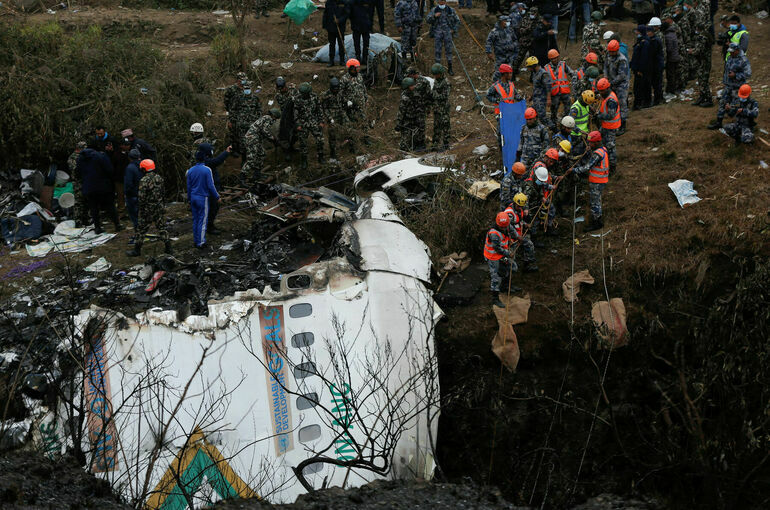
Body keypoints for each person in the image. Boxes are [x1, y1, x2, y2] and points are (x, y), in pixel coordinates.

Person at [127, 159, 170, 257]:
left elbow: (141, 197)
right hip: (158, 207)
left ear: (144, 169)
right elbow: (163, 193)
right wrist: (162, 205)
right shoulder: (159, 178)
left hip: (147, 209)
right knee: (162, 228)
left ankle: (137, 250)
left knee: (141, 229)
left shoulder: (144, 180)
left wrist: (141, 209)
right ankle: (169, 248)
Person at [76, 143, 122, 235]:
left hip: (88, 187)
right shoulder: (101, 156)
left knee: (94, 208)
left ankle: (97, 227)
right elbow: (109, 170)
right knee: (110, 206)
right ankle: (117, 225)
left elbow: (78, 172)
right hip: (103, 186)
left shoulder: (80, 158)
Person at [571, 130, 608, 231]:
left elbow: (587, 167)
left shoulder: (597, 154)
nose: (589, 144)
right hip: (601, 180)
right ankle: (597, 218)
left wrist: (573, 170)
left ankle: (597, 223)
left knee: (595, 202)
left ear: (597, 142)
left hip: (597, 181)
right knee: (596, 200)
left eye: (591, 143)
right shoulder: (602, 149)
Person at [708, 43, 751, 130]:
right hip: (728, 86)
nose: (731, 53)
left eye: (732, 51)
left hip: (737, 88)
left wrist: (736, 75)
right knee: (722, 103)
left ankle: (739, 125)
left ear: (737, 50)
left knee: (735, 106)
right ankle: (719, 122)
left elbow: (748, 74)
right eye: (730, 51)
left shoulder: (743, 60)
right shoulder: (730, 58)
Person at [186, 146, 221, 250]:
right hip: (202, 198)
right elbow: (211, 186)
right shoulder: (207, 170)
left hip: (193, 197)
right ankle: (201, 242)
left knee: (196, 220)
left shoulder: (190, 170)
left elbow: (188, 186)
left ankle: (196, 240)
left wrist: (189, 199)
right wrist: (217, 196)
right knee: (203, 220)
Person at [484, 212, 516, 307]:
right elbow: (497, 248)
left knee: (513, 268)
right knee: (496, 278)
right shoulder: (494, 233)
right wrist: (508, 253)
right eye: (502, 227)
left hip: (502, 254)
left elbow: (511, 230)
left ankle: (505, 286)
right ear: (498, 225)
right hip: (493, 257)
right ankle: (495, 298)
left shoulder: (506, 224)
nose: (504, 228)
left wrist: (517, 237)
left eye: (505, 226)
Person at [524, 151, 558, 237]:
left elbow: (540, 188)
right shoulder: (529, 185)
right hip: (530, 204)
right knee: (532, 220)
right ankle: (533, 236)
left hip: (537, 200)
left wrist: (542, 196)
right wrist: (526, 209)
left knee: (548, 210)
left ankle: (546, 228)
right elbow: (526, 198)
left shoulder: (538, 180)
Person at [688, 0, 714, 107]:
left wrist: (691, 51)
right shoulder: (704, 35)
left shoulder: (703, 37)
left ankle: (708, 99)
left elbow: (698, 50)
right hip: (702, 61)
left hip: (704, 61)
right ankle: (702, 97)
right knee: (700, 79)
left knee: (703, 80)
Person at [294, 83, 325, 169]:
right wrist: (298, 124)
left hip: (313, 121)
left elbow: (319, 109)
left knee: (320, 139)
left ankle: (321, 156)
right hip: (303, 122)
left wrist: (321, 121)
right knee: (303, 142)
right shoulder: (297, 99)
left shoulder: (314, 97)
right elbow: (295, 113)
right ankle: (304, 160)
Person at [341, 58, 369, 149]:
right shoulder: (344, 79)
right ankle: (353, 141)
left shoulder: (359, 76)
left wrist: (366, 98)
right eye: (357, 67)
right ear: (351, 68)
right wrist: (346, 101)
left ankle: (366, 137)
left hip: (361, 103)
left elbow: (363, 88)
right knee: (352, 123)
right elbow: (340, 93)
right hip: (351, 106)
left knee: (364, 120)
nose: (358, 69)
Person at [506, 192, 538, 273]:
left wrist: (525, 224)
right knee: (511, 259)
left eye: (521, 206)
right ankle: (508, 274)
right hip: (511, 239)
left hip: (519, 235)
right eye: (518, 206)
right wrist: (516, 237)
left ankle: (527, 265)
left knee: (529, 245)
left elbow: (519, 220)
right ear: (514, 203)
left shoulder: (519, 209)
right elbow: (507, 228)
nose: (520, 208)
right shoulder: (509, 213)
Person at [426, 0, 459, 76]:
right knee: (437, 51)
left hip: (447, 33)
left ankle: (450, 68)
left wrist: (453, 29)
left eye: (443, 1)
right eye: (440, 1)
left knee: (449, 50)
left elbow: (457, 21)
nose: (441, 2)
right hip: (437, 33)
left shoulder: (450, 10)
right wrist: (434, 16)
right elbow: (427, 20)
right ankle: (437, 69)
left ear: (445, 1)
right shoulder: (434, 10)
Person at [594, 78, 620, 174]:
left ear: (607, 88)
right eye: (599, 91)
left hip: (611, 127)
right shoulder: (606, 95)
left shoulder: (611, 100)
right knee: (604, 144)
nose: (600, 93)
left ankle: (612, 167)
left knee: (610, 147)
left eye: (602, 91)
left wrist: (598, 115)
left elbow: (610, 115)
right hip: (606, 126)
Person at [604, 39, 629, 135]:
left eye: (612, 51)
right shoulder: (608, 55)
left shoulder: (622, 59)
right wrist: (606, 78)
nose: (611, 53)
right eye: (610, 51)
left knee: (622, 104)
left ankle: (623, 125)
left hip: (621, 85)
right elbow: (605, 67)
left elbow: (621, 75)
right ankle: (614, 123)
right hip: (611, 82)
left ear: (617, 50)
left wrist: (611, 83)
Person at [544, 49, 574, 124]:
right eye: (552, 59)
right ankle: (554, 123)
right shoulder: (546, 68)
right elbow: (545, 82)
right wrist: (548, 96)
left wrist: (575, 79)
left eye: (555, 58)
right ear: (550, 59)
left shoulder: (563, 64)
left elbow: (572, 73)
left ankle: (566, 122)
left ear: (558, 57)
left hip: (564, 91)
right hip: (554, 93)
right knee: (554, 110)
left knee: (568, 107)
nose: (554, 60)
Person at [395, 77, 426, 151]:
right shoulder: (405, 98)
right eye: (411, 86)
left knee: (418, 133)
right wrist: (398, 123)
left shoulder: (415, 93)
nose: (413, 87)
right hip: (407, 120)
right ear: (407, 87)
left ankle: (418, 145)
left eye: (413, 85)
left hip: (416, 117)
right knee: (405, 142)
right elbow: (401, 112)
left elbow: (420, 105)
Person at [486, 15, 519, 82]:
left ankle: (507, 84)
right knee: (499, 71)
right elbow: (489, 42)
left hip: (510, 55)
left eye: (508, 21)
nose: (508, 23)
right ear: (501, 22)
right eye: (506, 21)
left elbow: (515, 40)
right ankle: (496, 84)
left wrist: (514, 47)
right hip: (500, 56)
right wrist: (489, 52)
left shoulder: (510, 30)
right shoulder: (494, 32)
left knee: (509, 71)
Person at [67, 141, 89, 226]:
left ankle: (86, 219)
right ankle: (78, 220)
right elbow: (75, 169)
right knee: (79, 202)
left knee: (86, 201)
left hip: (85, 181)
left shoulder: (83, 156)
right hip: (77, 183)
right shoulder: (72, 158)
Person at [224, 73, 248, 155]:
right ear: (238, 80)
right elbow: (226, 101)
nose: (244, 82)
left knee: (242, 132)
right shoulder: (231, 89)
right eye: (242, 80)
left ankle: (242, 149)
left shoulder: (246, 88)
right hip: (233, 113)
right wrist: (229, 112)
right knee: (233, 132)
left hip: (243, 113)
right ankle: (234, 150)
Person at [630, 25, 653, 110]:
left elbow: (644, 58)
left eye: (637, 31)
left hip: (642, 70)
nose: (636, 33)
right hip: (638, 68)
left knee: (640, 87)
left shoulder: (645, 43)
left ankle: (641, 103)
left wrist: (640, 70)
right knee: (639, 87)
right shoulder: (640, 41)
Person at [526, 56, 552, 127]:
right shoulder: (534, 73)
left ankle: (555, 129)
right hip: (536, 99)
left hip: (542, 99)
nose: (529, 69)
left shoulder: (543, 74)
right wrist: (532, 96)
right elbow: (536, 87)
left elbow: (548, 86)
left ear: (533, 66)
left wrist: (549, 99)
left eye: (529, 67)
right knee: (533, 115)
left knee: (542, 118)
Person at [431, 63, 451, 151]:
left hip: (443, 108)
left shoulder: (446, 82)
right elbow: (433, 91)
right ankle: (435, 144)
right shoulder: (436, 81)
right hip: (437, 108)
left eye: (436, 74)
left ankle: (446, 145)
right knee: (436, 126)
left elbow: (445, 96)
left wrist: (435, 95)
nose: (435, 76)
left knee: (445, 126)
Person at [512, 6, 538, 72]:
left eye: (534, 13)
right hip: (524, 41)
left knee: (533, 59)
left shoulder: (539, 20)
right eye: (531, 13)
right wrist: (527, 29)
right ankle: (514, 71)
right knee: (519, 57)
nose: (532, 15)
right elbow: (520, 30)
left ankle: (533, 73)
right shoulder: (526, 18)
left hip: (534, 42)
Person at [323, 0, 348, 67]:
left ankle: (342, 60)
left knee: (341, 44)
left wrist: (339, 20)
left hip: (340, 27)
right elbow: (326, 14)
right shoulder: (329, 2)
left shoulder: (343, 2)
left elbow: (346, 14)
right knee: (332, 44)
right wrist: (325, 26)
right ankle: (331, 61)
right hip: (331, 28)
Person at [662, 14, 682, 94]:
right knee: (674, 74)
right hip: (675, 56)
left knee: (670, 75)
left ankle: (671, 90)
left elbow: (669, 49)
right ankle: (673, 88)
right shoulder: (673, 33)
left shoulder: (668, 36)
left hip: (671, 58)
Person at [123, 149, 142, 235]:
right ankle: (141, 231)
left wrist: (126, 193)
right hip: (141, 194)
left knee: (134, 216)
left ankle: (138, 233)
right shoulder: (142, 166)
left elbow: (128, 183)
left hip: (132, 195)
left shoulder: (130, 168)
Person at [646, 22, 665, 106]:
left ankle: (657, 100)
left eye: (648, 32)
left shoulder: (655, 41)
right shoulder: (653, 40)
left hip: (656, 66)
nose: (647, 33)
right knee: (656, 83)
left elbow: (653, 53)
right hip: (655, 65)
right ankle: (658, 99)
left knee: (657, 84)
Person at [350, 0, 373, 65]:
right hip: (356, 25)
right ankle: (358, 57)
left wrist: (369, 23)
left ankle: (365, 58)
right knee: (356, 43)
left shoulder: (367, 2)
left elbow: (371, 12)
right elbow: (350, 14)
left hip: (365, 25)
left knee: (366, 43)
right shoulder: (353, 3)